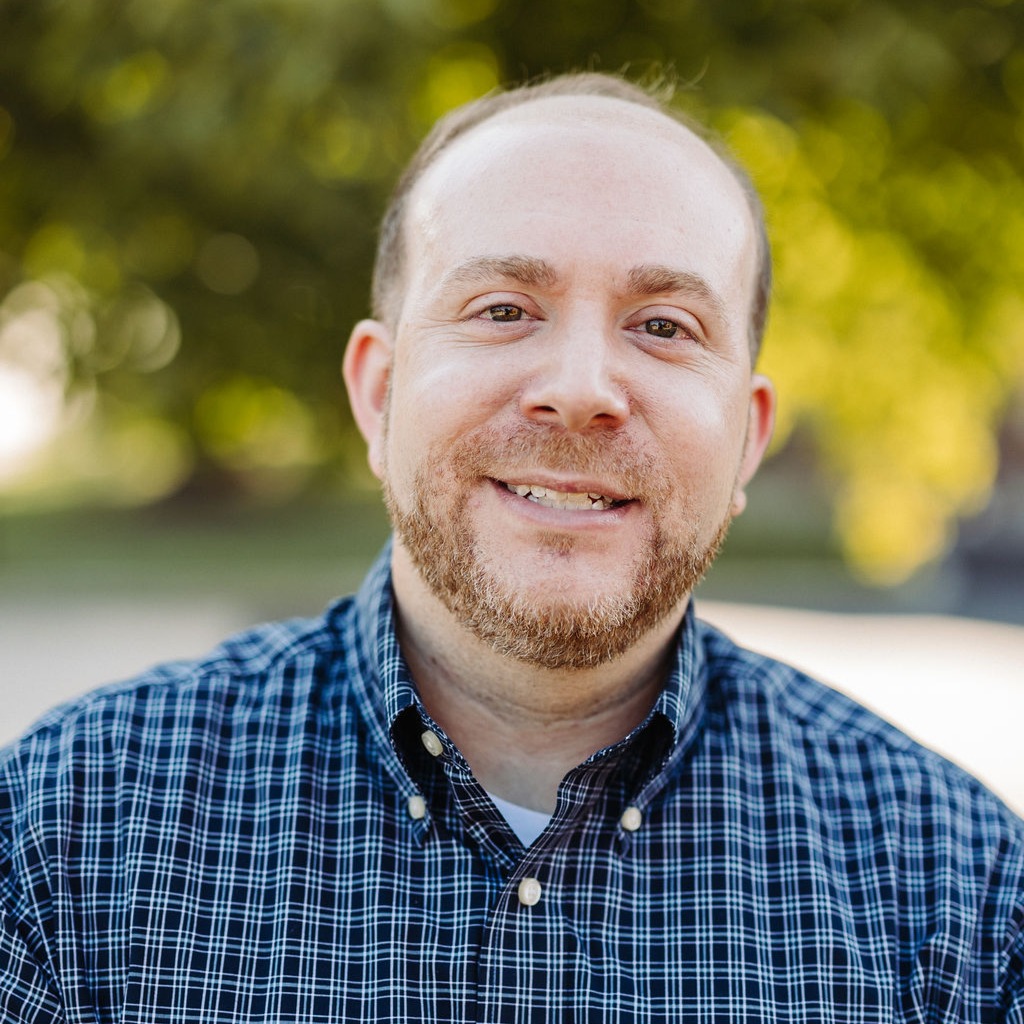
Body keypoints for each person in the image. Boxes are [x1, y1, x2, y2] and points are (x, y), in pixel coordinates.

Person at [1, 72, 1021, 1023]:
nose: (579, 387)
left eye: (663, 326)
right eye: (502, 309)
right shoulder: (66, 834)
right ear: (376, 391)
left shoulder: (962, 896)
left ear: (748, 436)